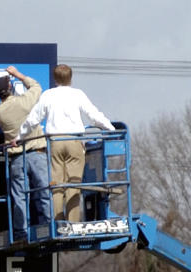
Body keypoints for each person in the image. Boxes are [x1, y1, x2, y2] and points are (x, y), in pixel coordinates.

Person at [14, 63, 115, 223]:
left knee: (56, 186)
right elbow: (94, 115)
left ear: (55, 79)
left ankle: (58, 223)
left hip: (54, 142)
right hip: (74, 141)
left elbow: (33, 119)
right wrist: (111, 128)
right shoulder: (77, 94)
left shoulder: (48, 95)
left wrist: (19, 137)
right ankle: (72, 223)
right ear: (71, 78)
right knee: (73, 184)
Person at [0, 66, 51, 241]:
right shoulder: (24, 102)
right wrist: (18, 75)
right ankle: (48, 226)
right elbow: (37, 88)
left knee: (19, 198)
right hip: (37, 154)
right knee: (44, 192)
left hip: (16, 159)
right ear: (9, 88)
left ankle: (21, 233)